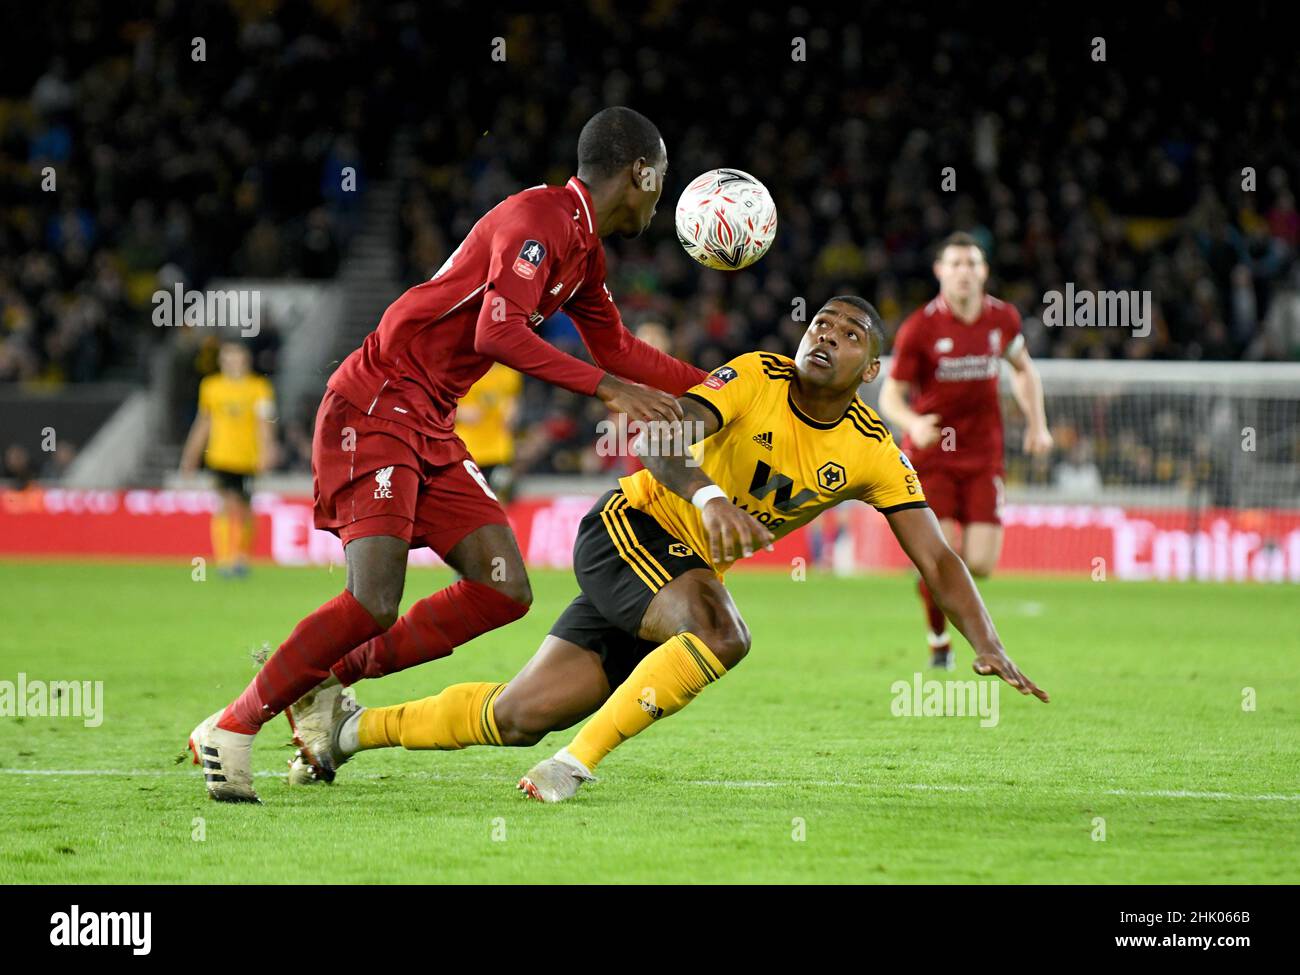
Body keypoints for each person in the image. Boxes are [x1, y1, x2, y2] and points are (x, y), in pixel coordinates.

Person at [288, 297, 1048, 801]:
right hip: (630, 531)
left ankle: (344, 730)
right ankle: (572, 768)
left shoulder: (872, 450)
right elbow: (661, 433)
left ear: (872, 370)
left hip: (675, 578)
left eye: (850, 335)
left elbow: (939, 558)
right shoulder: (754, 375)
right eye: (821, 324)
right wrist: (709, 496)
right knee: (723, 632)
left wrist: (987, 640)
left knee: (520, 713)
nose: (826, 337)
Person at [188, 106, 706, 802]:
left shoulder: (584, 249)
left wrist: (719, 385)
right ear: (640, 172)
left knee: (503, 587)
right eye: (661, 179)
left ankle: (324, 682)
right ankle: (232, 724)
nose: (661, 195)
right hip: (377, 400)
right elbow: (499, 333)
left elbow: (615, 347)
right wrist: (610, 391)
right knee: (372, 598)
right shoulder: (538, 220)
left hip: (428, 415)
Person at [878, 233, 1053, 669]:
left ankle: (940, 597)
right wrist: (914, 422)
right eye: (955, 263)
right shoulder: (920, 327)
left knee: (980, 562)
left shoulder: (1002, 319)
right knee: (941, 555)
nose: (964, 271)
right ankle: (939, 637)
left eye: (972, 263)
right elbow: (891, 397)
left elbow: (1024, 370)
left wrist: (1038, 425)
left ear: (984, 271)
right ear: (939, 271)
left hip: (984, 455)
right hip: (931, 458)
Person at [179, 341, 277, 577]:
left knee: (244, 509)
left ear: (245, 360)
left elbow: (265, 423)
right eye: (228, 357)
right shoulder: (211, 387)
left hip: (247, 458)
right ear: (222, 360)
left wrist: (268, 450)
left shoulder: (259, 387)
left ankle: (242, 557)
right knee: (224, 505)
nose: (232, 361)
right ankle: (224, 560)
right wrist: (190, 455)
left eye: (237, 357)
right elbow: (203, 422)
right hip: (220, 455)